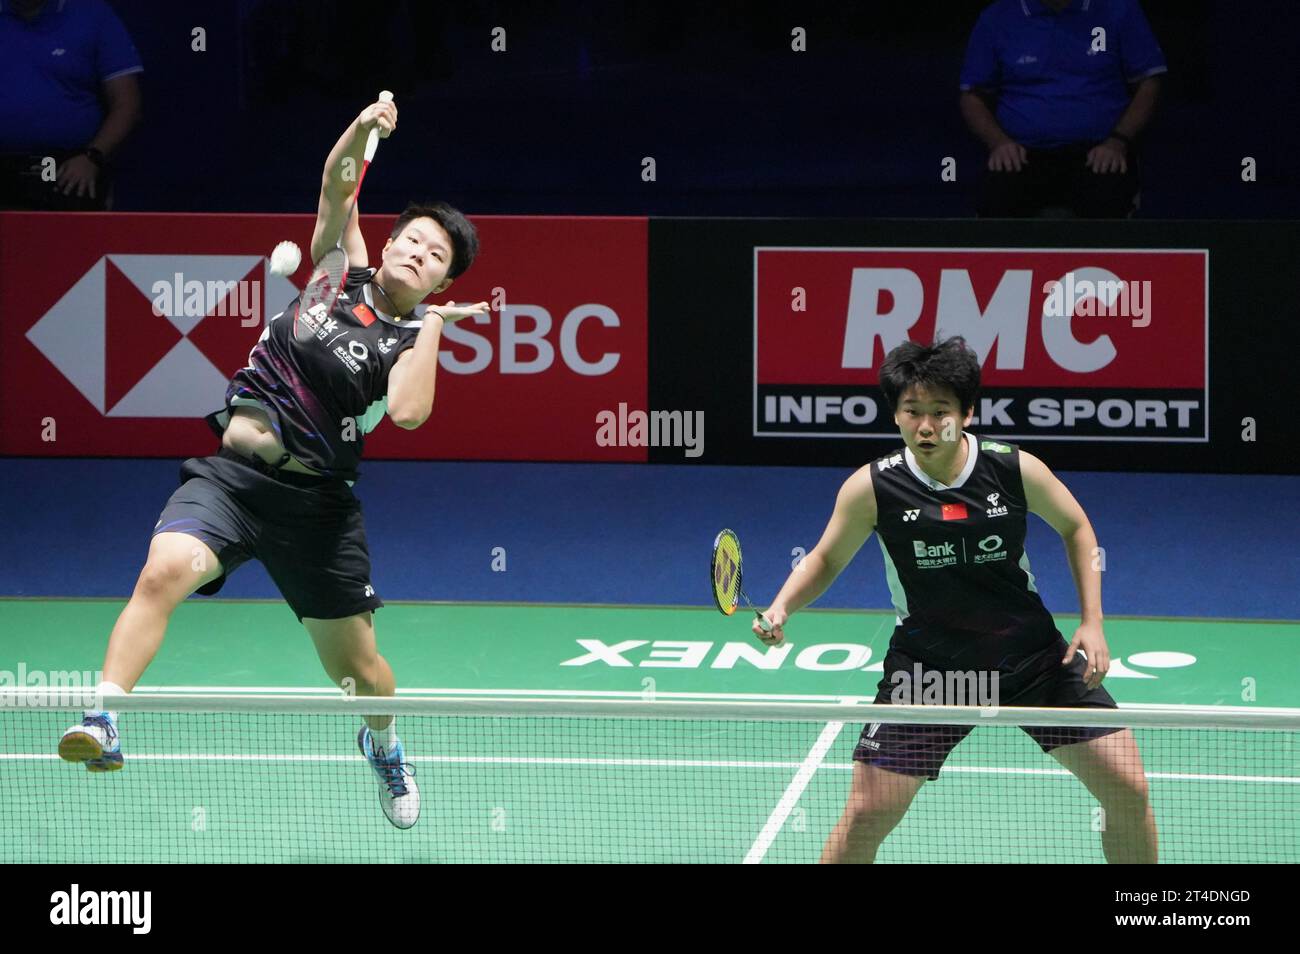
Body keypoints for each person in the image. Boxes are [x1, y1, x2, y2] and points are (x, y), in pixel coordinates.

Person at [57, 95, 490, 831]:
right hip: (231, 479)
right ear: (387, 243)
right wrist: (363, 127)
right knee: (164, 570)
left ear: (443, 282)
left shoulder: (410, 337)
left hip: (315, 509)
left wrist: (431, 330)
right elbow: (339, 186)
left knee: (360, 676)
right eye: (412, 239)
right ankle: (104, 718)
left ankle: (382, 743)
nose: (418, 252)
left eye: (436, 255)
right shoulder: (336, 269)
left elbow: (413, 412)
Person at [754, 337, 1158, 863]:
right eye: (911, 411)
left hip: (1033, 660)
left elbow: (1077, 526)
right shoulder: (873, 488)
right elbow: (826, 559)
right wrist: (784, 605)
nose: (925, 426)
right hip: (932, 672)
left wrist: (1092, 621)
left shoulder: (1012, 469)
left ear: (967, 412)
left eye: (940, 412)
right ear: (895, 415)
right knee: (866, 816)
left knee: (1129, 789)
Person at [959, 0, 1166, 218]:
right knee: (995, 198)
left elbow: (1149, 82)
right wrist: (998, 143)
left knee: (1108, 200)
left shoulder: (1119, 9)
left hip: (1098, 152)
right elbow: (972, 95)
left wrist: (1118, 141)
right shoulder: (997, 17)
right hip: (1021, 153)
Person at [0, 0, 143, 210]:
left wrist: (93, 157)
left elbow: (127, 103)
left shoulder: (93, 16)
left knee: (72, 240)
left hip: (73, 168)